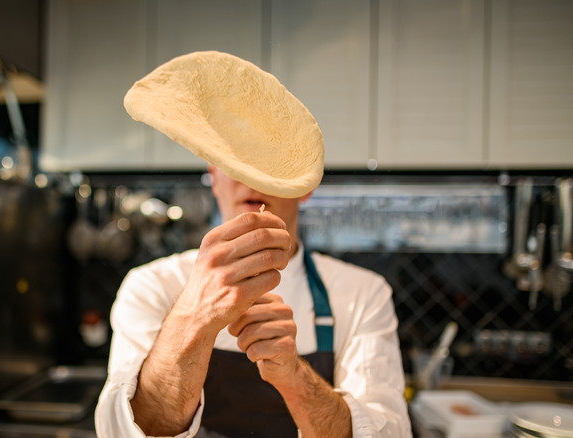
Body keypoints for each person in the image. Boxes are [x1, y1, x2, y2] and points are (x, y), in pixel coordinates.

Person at [95, 50, 411, 437]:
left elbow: (388, 432)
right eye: (232, 162)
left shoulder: (363, 294)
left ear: (305, 186)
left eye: (271, 167)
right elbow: (121, 431)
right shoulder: (151, 287)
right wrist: (195, 316)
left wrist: (293, 375)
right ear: (213, 174)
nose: (251, 181)